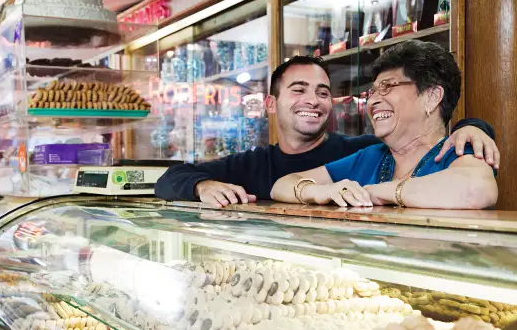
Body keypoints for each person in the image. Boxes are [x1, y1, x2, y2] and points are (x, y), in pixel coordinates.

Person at [155, 55, 499, 209]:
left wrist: (472, 126)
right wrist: (203, 185)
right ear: (271, 104)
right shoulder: (252, 163)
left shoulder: (360, 149)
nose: (314, 101)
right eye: (299, 90)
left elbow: (472, 185)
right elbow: (171, 178)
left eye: (322, 92)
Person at [270, 40, 497, 209]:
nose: (374, 100)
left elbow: (475, 188)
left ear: (432, 96)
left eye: (387, 86)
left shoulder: (457, 150)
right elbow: (281, 185)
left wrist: (375, 192)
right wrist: (319, 191)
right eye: (373, 91)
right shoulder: (371, 156)